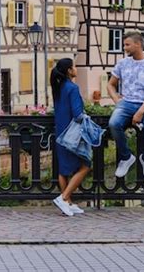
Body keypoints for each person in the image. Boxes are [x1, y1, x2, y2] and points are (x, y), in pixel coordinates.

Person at [107, 31, 144, 182]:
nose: (124, 47)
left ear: (138, 44)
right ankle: (126, 157)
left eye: (127, 44)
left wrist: (141, 111)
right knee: (113, 123)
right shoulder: (122, 64)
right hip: (126, 103)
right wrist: (117, 100)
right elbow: (111, 85)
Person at [51, 58, 90, 216]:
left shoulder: (58, 87)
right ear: (69, 70)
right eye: (74, 66)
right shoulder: (72, 88)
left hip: (60, 130)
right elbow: (77, 114)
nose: (76, 69)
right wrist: (87, 119)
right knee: (85, 165)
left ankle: (68, 203)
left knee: (64, 168)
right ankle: (64, 197)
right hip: (72, 132)